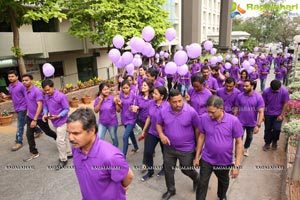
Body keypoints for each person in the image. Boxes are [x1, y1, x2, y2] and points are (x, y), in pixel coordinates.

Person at [67, 108, 134, 200]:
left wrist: (120, 189)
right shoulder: (76, 148)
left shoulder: (111, 157)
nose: (70, 138)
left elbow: (128, 177)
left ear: (92, 130)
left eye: (76, 133)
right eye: (69, 133)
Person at [194, 95, 243, 200]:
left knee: (223, 182)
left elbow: (239, 142)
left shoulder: (233, 121)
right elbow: (201, 137)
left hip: (224, 161)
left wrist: (237, 165)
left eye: (212, 112)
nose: (209, 115)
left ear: (221, 108)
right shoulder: (204, 118)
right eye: (208, 111)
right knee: (202, 183)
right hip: (207, 159)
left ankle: (221, 196)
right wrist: (197, 156)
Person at [156, 89, 200, 200]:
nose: (178, 104)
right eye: (174, 102)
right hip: (169, 148)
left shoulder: (191, 111)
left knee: (186, 169)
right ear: (169, 101)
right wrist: (161, 135)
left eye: (180, 101)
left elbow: (197, 129)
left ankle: (196, 178)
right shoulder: (163, 111)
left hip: (186, 148)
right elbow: (158, 124)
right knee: (168, 169)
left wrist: (197, 147)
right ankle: (171, 190)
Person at [2, 70, 42, 151]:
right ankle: (38, 130)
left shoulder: (22, 86)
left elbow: (28, 95)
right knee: (26, 122)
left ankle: (18, 142)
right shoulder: (10, 85)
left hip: (23, 108)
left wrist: (28, 108)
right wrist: (6, 96)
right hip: (16, 107)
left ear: (17, 77)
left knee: (20, 126)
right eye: (9, 76)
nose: (10, 78)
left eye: (12, 76)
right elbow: (13, 95)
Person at [22, 74, 57, 162]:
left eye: (26, 80)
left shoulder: (37, 91)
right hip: (30, 116)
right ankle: (34, 152)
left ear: (31, 81)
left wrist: (35, 119)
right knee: (29, 134)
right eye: (23, 80)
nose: (24, 82)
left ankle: (59, 139)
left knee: (48, 132)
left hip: (40, 117)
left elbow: (40, 106)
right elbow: (29, 103)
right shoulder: (25, 91)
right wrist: (28, 114)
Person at [140, 86, 168, 181]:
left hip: (164, 134)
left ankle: (164, 168)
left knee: (166, 153)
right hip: (152, 132)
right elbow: (149, 117)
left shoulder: (167, 106)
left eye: (156, 94)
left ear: (162, 96)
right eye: (153, 93)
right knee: (148, 152)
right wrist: (144, 130)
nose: (153, 95)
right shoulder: (151, 103)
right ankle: (150, 171)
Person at [42, 79, 71, 168]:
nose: (47, 92)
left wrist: (59, 116)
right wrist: (45, 114)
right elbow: (45, 106)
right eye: (45, 90)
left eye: (48, 90)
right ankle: (69, 153)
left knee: (59, 140)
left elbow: (66, 109)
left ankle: (63, 159)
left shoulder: (61, 96)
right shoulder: (46, 96)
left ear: (53, 87)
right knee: (64, 138)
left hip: (62, 120)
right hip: (54, 120)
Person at [234, 79, 265, 157]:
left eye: (246, 86)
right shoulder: (240, 96)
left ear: (252, 86)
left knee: (249, 137)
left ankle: (246, 147)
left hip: (251, 123)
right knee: (238, 138)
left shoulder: (258, 97)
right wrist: (234, 119)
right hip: (240, 122)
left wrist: (258, 125)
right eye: (244, 85)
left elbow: (261, 112)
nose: (244, 87)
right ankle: (237, 154)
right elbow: (236, 108)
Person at [262, 80, 290, 151]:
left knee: (276, 129)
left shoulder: (284, 92)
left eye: (276, 90)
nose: (274, 91)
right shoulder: (266, 92)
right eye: (273, 90)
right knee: (267, 129)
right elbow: (263, 104)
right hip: (268, 114)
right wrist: (262, 115)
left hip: (278, 114)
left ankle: (275, 142)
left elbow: (285, 103)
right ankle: (267, 143)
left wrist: (281, 115)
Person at [116, 80, 139, 158]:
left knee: (125, 136)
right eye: (124, 88)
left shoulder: (133, 95)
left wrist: (134, 108)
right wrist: (119, 104)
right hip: (124, 118)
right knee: (130, 133)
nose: (125, 89)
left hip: (132, 118)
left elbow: (135, 107)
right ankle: (136, 147)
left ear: (130, 87)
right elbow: (121, 108)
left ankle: (123, 155)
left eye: (127, 88)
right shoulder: (121, 95)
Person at [94, 82, 119, 147]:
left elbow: (118, 110)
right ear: (100, 91)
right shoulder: (98, 99)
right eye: (104, 89)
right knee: (99, 138)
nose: (106, 91)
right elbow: (96, 111)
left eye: (107, 89)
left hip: (112, 123)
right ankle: (101, 153)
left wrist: (116, 103)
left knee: (114, 138)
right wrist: (100, 101)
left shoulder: (112, 98)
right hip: (102, 123)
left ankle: (115, 151)